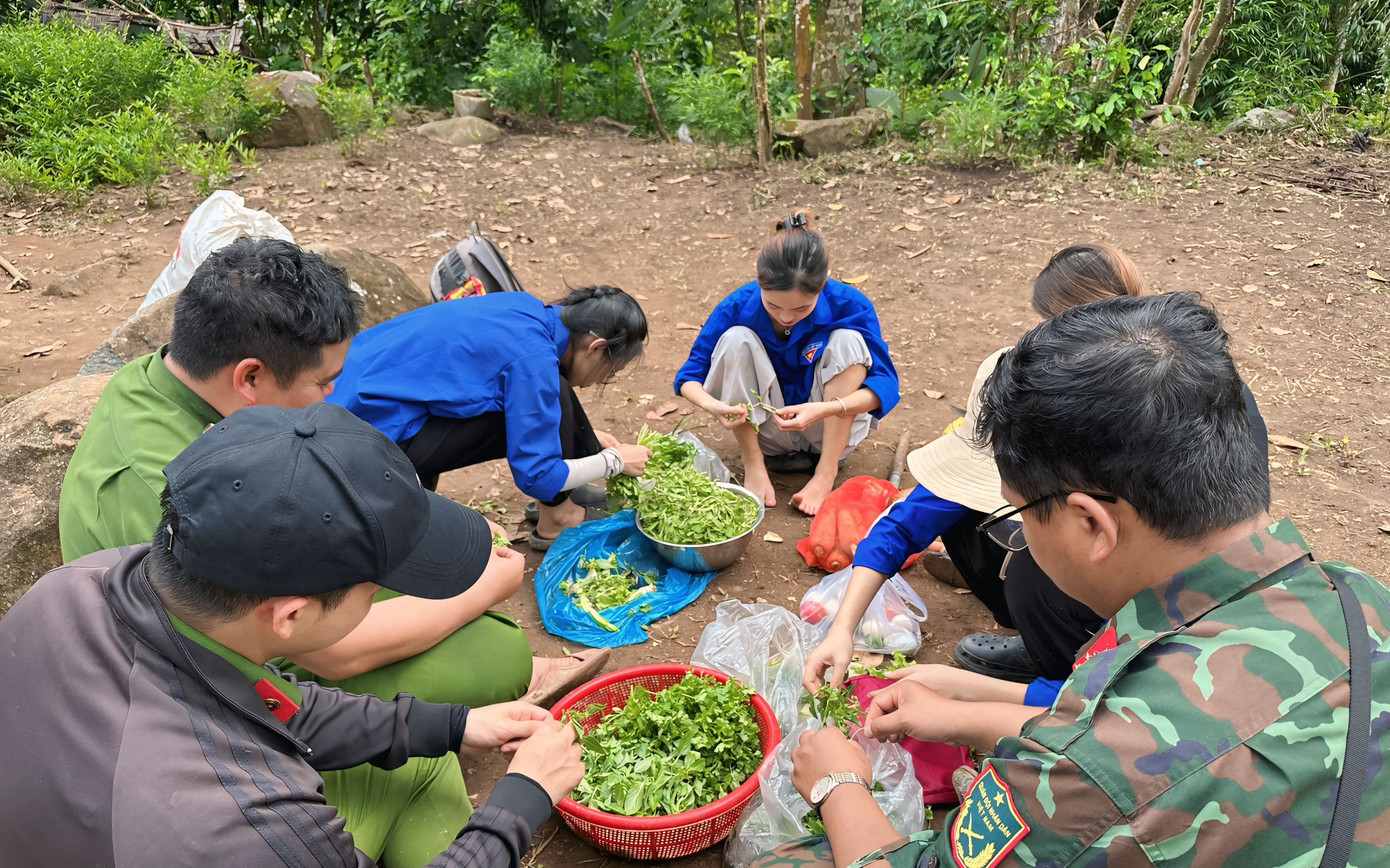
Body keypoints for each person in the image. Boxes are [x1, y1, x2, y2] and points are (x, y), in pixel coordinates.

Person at [733, 291, 1390, 868]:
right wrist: (969, 698)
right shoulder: (1356, 596)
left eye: (1014, 515)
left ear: (1089, 523)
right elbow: (1187, 738)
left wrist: (838, 778)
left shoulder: (1092, 776)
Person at [0, 403, 681, 868]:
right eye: (378, 583)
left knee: (413, 749)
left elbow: (280, 701)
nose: (390, 590)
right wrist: (520, 800)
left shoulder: (92, 583)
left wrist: (455, 724)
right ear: (291, 614)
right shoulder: (227, 821)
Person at [58, 236, 605, 707]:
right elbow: (329, 650)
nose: (335, 397)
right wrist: (482, 588)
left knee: (444, 588)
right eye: (323, 383)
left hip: (268, 597)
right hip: (210, 672)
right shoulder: (164, 485)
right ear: (251, 377)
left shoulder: (175, 380)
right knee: (497, 650)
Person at [805, 243, 1268, 689]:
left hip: (1143, 611)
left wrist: (967, 701)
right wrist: (845, 627)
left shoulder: (1173, 662)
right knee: (981, 528)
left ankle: (1066, 656)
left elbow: (1101, 713)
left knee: (1028, 567)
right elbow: (910, 520)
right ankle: (1051, 651)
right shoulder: (1189, 374)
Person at [328, 285, 652, 550]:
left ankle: (569, 493)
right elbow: (538, 476)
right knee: (552, 391)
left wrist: (588, 440)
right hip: (360, 449)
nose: (602, 378)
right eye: (612, 369)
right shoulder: (535, 360)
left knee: (551, 393)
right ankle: (559, 518)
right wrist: (614, 461)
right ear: (594, 347)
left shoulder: (524, 309)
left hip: (346, 403)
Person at [675, 212, 900, 516]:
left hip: (828, 430)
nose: (785, 317)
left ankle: (826, 472)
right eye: (773, 305)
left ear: (822, 285)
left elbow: (885, 386)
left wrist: (826, 408)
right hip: (768, 432)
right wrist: (714, 406)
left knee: (849, 342)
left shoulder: (850, 304)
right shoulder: (737, 305)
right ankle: (754, 463)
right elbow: (689, 377)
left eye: (801, 308)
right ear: (759, 283)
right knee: (735, 340)